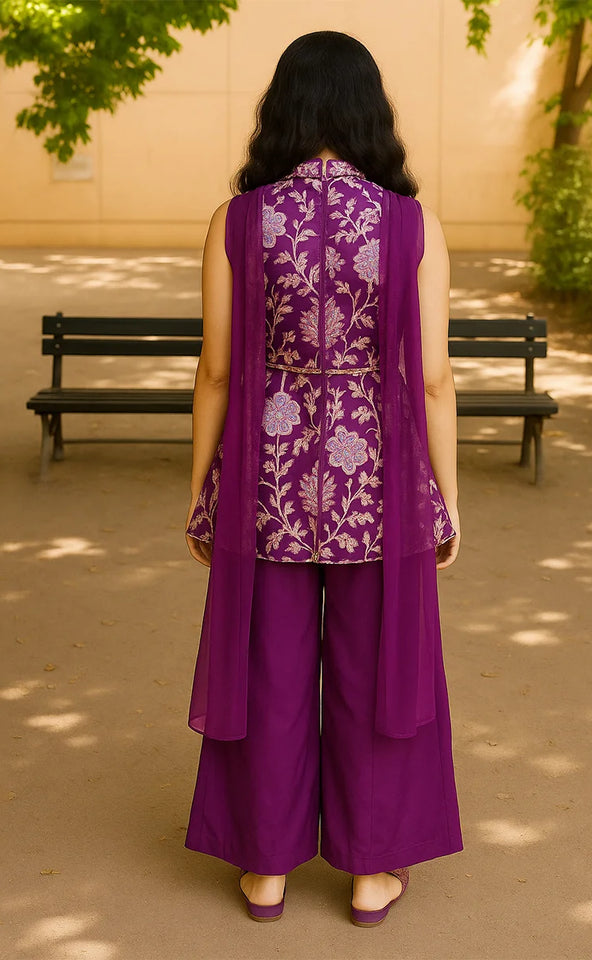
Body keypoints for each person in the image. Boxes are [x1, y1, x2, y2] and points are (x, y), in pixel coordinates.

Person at [183, 30, 463, 926]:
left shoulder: (239, 220)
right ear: (368, 110)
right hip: (378, 488)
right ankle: (372, 873)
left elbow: (216, 372)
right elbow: (434, 381)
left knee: (266, 672)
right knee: (377, 675)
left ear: (284, 109)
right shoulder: (411, 225)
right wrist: (447, 500)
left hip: (264, 483)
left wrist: (202, 492)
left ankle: (266, 870)